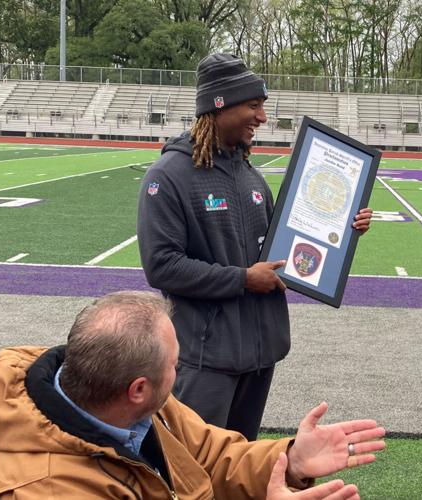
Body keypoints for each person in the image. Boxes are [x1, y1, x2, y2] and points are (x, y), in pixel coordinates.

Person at [137, 53, 372, 440]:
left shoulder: (249, 175)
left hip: (260, 354)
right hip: (206, 358)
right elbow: (161, 266)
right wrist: (243, 279)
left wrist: (343, 229)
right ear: (220, 106)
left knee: (240, 463)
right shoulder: (168, 176)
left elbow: (285, 244)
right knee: (195, 465)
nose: (262, 117)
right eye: (254, 105)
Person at [0, 291, 386, 499]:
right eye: (175, 363)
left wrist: (290, 460)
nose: (181, 368)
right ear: (138, 389)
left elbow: (210, 456)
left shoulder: (134, 407)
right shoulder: (45, 490)